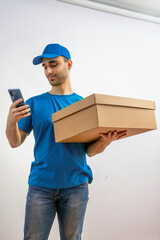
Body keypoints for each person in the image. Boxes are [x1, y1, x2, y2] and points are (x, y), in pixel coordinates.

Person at [6, 43, 127, 240]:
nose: (48, 71)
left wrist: (105, 142)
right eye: (44, 66)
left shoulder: (83, 105)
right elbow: (15, 142)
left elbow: (88, 151)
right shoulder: (34, 103)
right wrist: (11, 121)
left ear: (69, 64)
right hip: (41, 187)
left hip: (76, 187)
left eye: (53, 64)